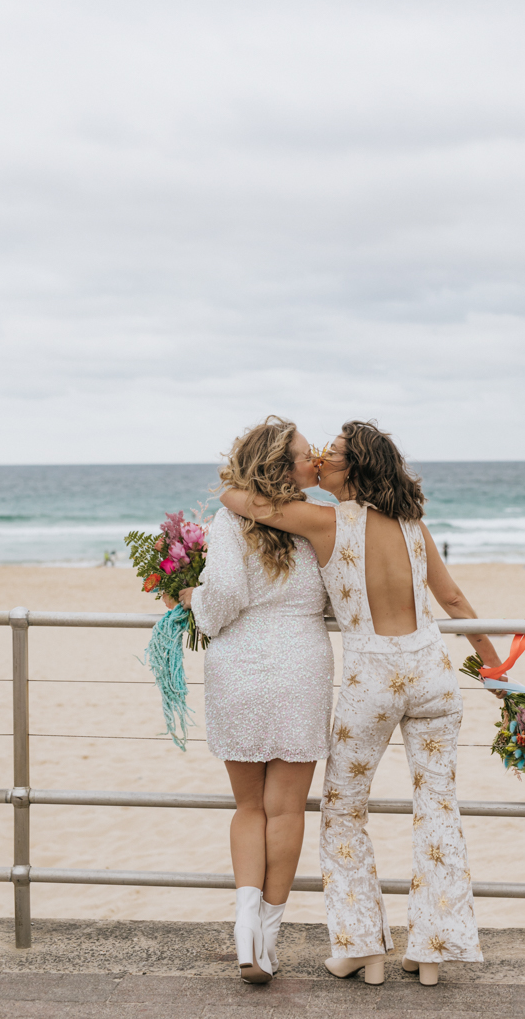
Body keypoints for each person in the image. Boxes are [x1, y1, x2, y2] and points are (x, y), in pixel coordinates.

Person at [221, 420, 503, 987]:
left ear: (353, 468)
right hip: (432, 674)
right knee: (438, 807)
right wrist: (495, 670)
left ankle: (361, 947)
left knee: (344, 811)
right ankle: (431, 951)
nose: (320, 461)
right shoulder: (411, 523)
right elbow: (452, 598)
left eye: (331, 454)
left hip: (372, 678)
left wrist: (234, 482)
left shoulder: (326, 522)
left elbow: (242, 500)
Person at [166, 417, 334, 984]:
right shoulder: (316, 526)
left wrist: (193, 597)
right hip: (301, 666)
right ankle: (269, 933)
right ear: (281, 468)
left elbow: (226, 597)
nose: (316, 462)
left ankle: (243, 921)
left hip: (239, 665)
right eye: (307, 455)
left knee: (248, 807)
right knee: (286, 809)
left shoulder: (230, 520)